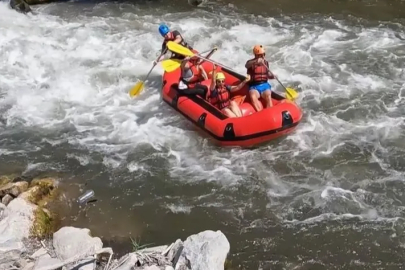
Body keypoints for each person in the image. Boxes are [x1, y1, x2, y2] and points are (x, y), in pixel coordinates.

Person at [245, 44, 277, 112]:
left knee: (268, 96)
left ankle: (270, 112)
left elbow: (267, 74)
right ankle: (259, 113)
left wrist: (272, 76)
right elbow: (246, 65)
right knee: (253, 96)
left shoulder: (266, 63)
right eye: (261, 55)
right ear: (256, 55)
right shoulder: (250, 63)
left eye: (263, 54)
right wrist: (256, 61)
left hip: (265, 85)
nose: (263, 56)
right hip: (254, 86)